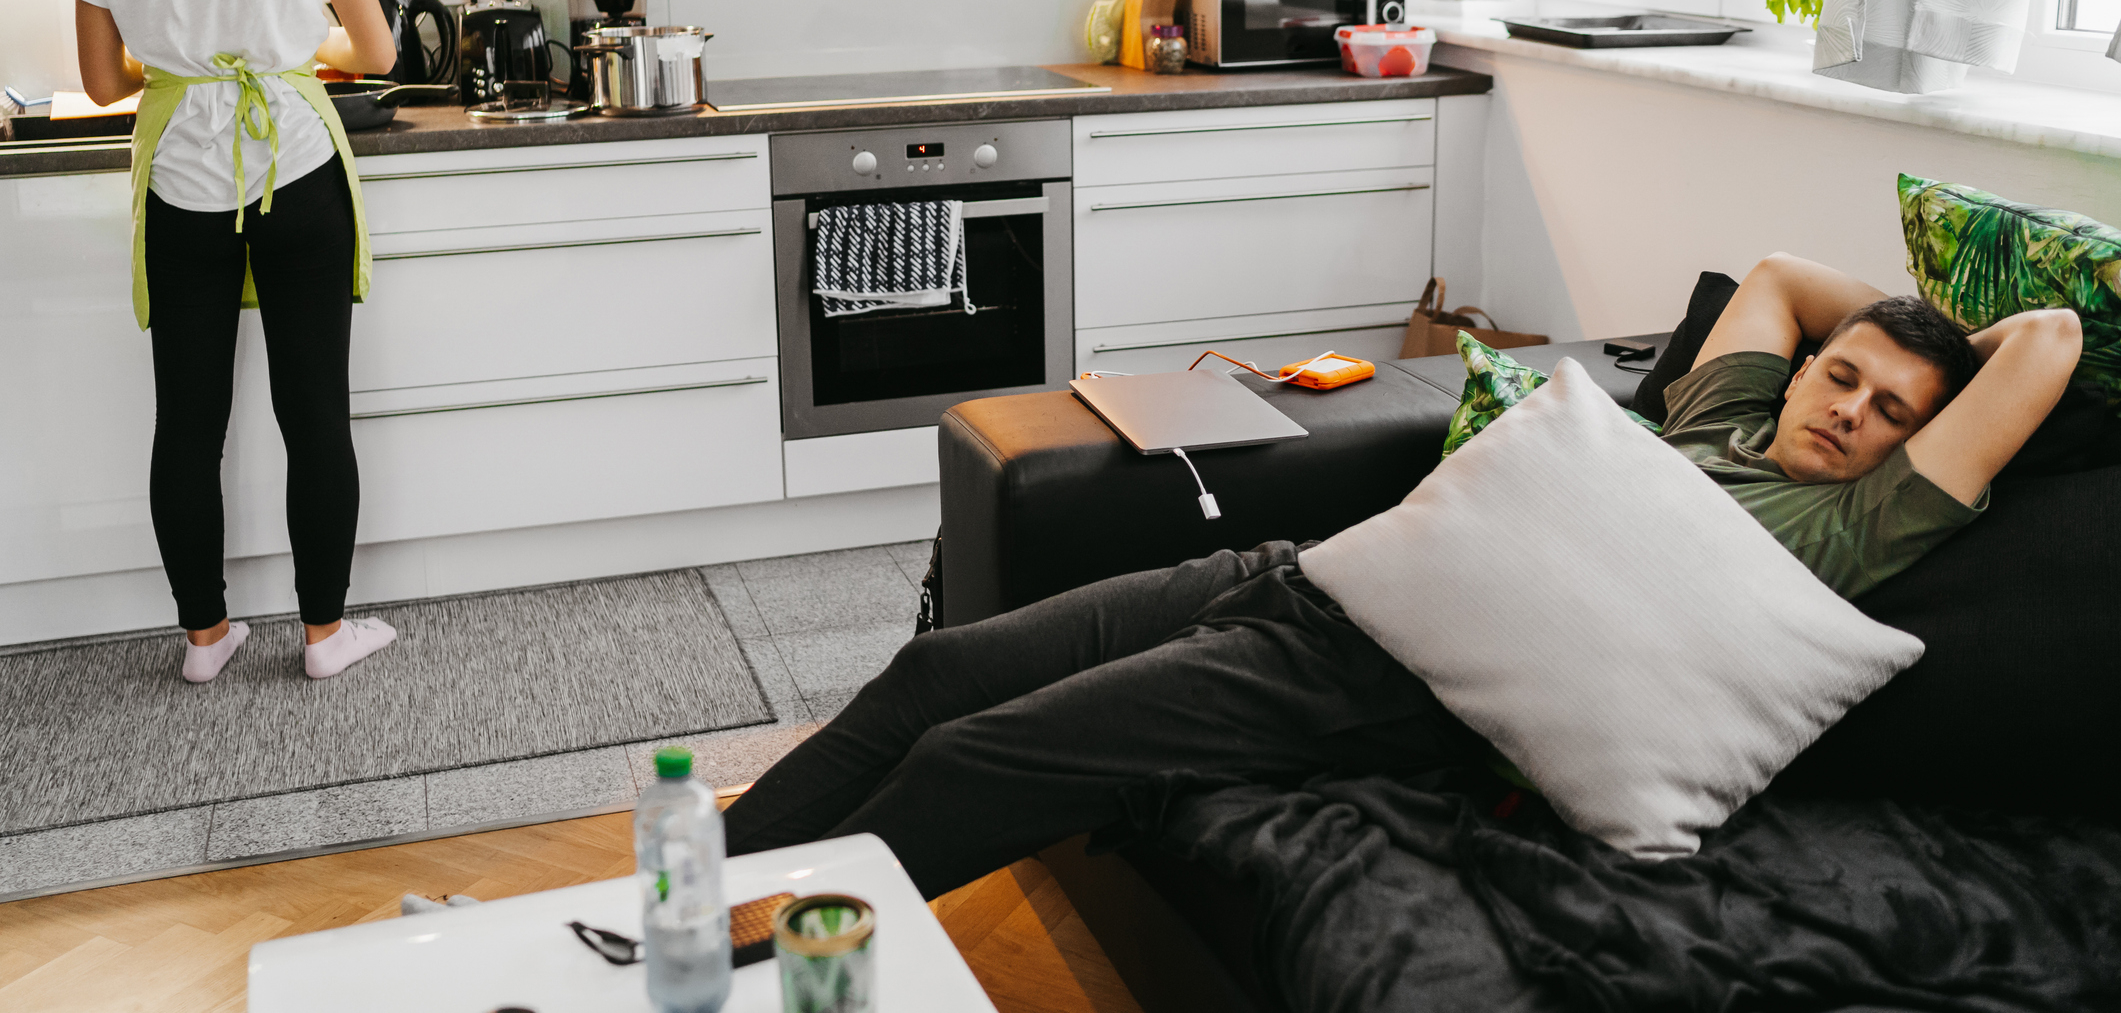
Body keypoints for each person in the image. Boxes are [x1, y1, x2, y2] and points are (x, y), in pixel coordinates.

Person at [724, 253, 2083, 897]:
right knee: (937, 671)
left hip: (1373, 677)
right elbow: (1777, 276)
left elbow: (2051, 342)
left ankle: (743, 966)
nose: (1849, 411)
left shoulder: (1852, 525)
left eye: (1892, 412)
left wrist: (1944, 352)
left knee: (974, 758)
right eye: (1842, 375)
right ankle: (664, 908)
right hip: (1303, 572)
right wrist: (1892, 320)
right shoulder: (1724, 413)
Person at [69, 0, 402, 684]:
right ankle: (325, 637)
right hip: (297, 165)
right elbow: (377, 53)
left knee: (187, 419)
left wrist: (187, 61)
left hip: (183, 178)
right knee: (315, 410)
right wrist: (288, 49)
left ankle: (205, 641)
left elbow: (102, 83)